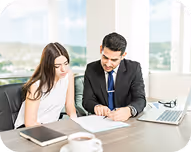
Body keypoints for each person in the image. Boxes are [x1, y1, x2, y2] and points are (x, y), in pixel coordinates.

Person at [82, 32, 146, 121]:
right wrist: (96, 106)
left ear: (123, 56)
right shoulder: (91, 69)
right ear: (101, 49)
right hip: (101, 121)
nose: (108, 64)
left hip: (126, 121)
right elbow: (87, 100)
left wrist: (129, 111)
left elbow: (140, 99)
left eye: (114, 60)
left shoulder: (134, 68)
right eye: (105, 57)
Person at [14, 42, 77, 129]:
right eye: (57, 66)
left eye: (66, 64)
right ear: (48, 66)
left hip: (51, 127)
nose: (63, 69)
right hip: (28, 129)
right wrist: (52, 132)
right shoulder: (36, 86)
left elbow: (69, 105)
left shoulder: (69, 76)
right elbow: (30, 123)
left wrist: (75, 122)